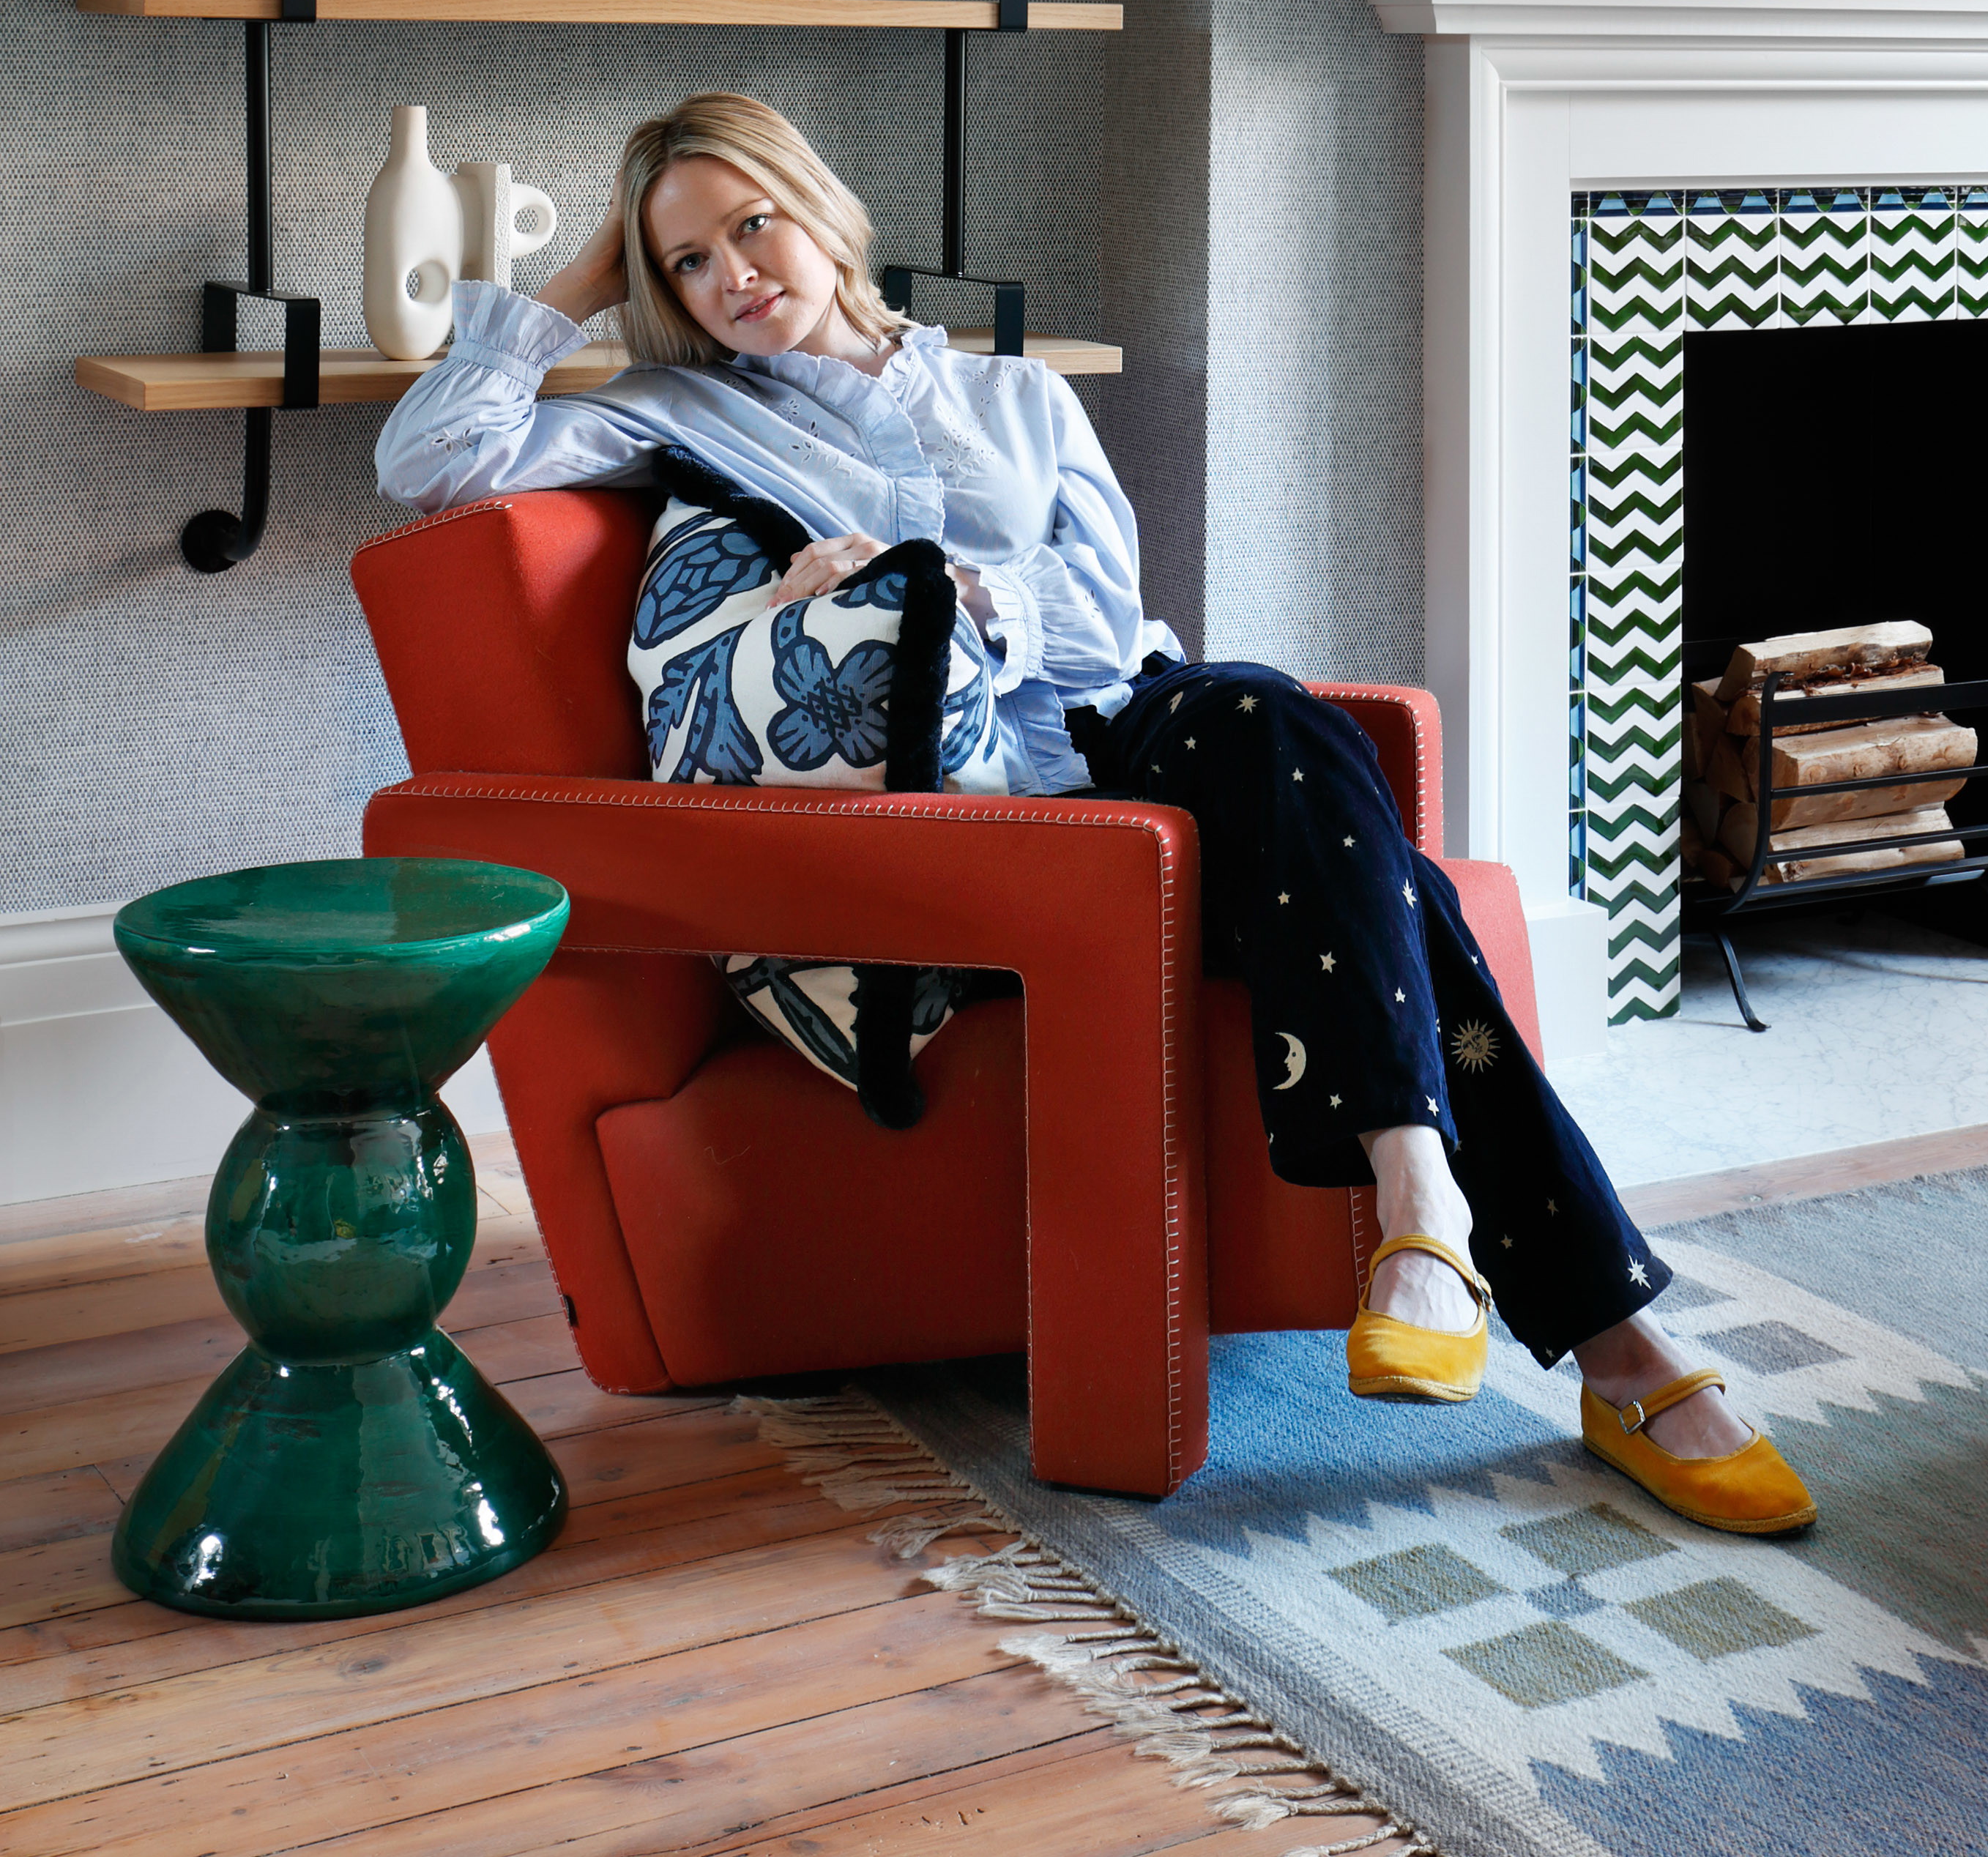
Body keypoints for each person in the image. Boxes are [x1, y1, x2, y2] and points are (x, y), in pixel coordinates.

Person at [376, 93, 1814, 1535]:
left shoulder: (1015, 392)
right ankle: (1589, 1325)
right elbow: (431, 461)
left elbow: (1100, 619)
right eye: (686, 260)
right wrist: (584, 284)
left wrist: (935, 578)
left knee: (1270, 723)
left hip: (1122, 723)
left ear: (819, 207)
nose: (732, 275)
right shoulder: (680, 408)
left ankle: (1446, 1227)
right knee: (1378, 854)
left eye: (750, 223)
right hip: (994, 808)